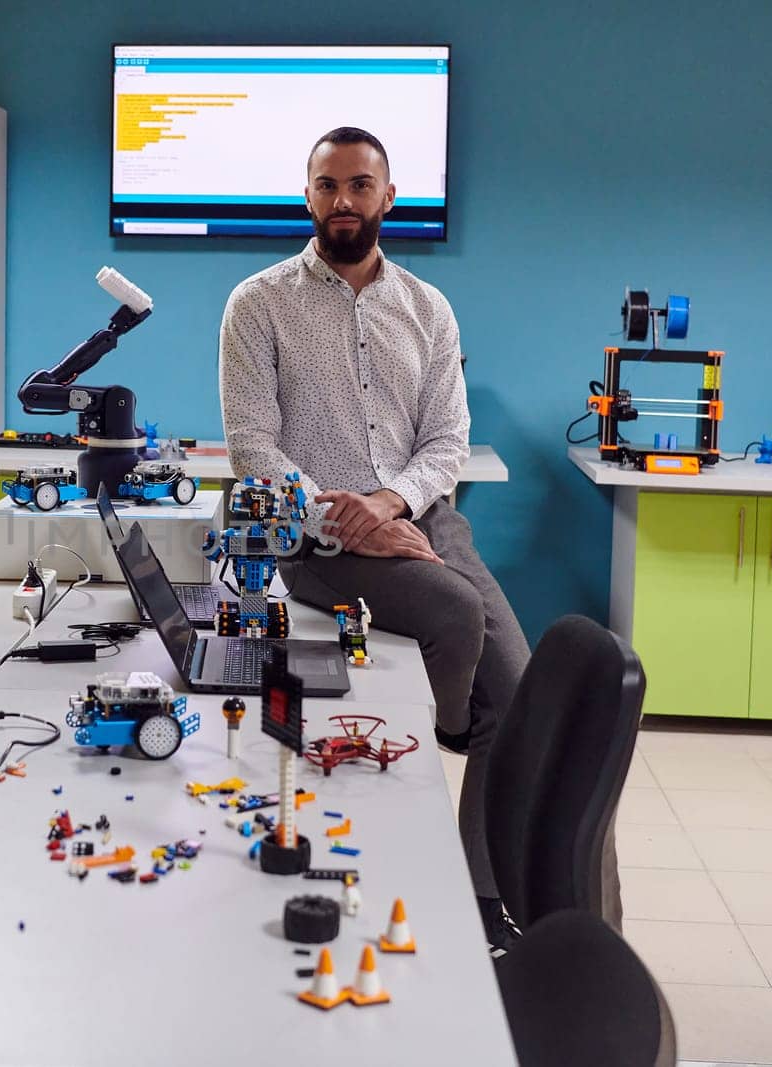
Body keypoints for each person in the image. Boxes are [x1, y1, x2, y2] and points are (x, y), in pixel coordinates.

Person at [218, 126, 535, 954]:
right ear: (308, 195)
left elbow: (448, 442)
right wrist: (343, 517)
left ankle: (484, 898)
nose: (344, 201)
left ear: (388, 198)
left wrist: (391, 503)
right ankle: (450, 728)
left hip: (422, 517)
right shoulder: (258, 303)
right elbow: (254, 447)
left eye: (361, 185)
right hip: (314, 543)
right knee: (451, 607)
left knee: (525, 692)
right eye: (328, 186)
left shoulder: (427, 309)